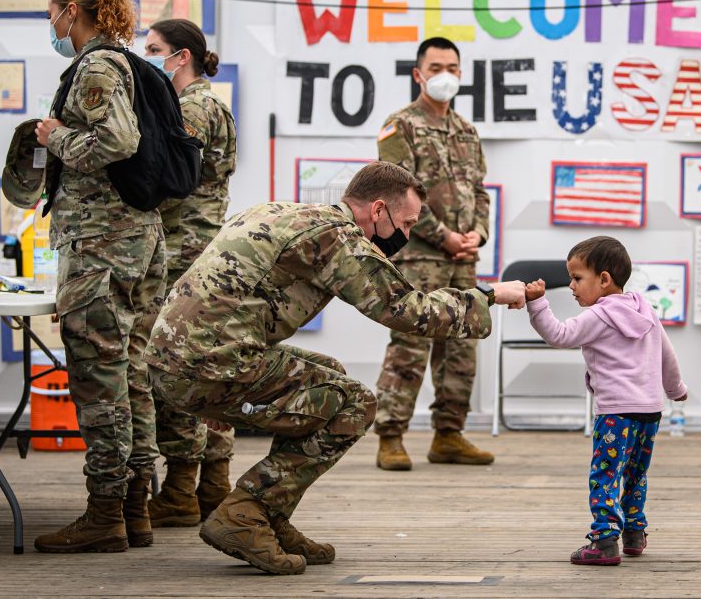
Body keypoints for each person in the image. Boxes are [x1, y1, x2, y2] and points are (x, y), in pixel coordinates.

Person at [144, 162, 526, 575]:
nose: (409, 235)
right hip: (208, 365)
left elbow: (229, 303)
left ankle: (271, 514)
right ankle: (245, 513)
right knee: (356, 404)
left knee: (329, 374)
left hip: (176, 361)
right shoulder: (338, 237)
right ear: (378, 210)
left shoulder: (276, 212)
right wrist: (489, 295)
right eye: (408, 222)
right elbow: (406, 310)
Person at [32, 0, 168, 553]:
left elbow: (116, 143)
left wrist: (54, 135)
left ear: (72, 11)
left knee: (99, 378)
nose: (52, 27)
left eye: (52, 15)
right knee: (130, 374)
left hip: (100, 245)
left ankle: (105, 514)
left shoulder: (96, 65)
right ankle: (134, 510)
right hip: (137, 240)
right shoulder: (130, 63)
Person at [523, 237, 687, 566]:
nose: (570, 286)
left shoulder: (600, 315)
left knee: (605, 475)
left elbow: (559, 335)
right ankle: (635, 532)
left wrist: (537, 303)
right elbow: (666, 355)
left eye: (576, 277)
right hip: (650, 412)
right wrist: (676, 389)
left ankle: (604, 540)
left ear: (604, 279)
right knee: (635, 474)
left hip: (615, 414)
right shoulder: (646, 310)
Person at [373, 36, 493, 470]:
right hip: (419, 255)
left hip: (464, 258)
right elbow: (395, 193)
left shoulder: (466, 130)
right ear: (418, 74)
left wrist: (477, 232)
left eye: (453, 68)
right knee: (410, 342)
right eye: (436, 67)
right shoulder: (399, 125)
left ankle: (449, 434)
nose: (446, 75)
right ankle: (391, 436)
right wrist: (442, 235)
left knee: (462, 345)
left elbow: (480, 191)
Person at [141, 18, 238, 527]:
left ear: (181, 56)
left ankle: (181, 488)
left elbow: (171, 178)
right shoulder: (207, 103)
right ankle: (213, 486)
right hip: (203, 253)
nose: (147, 55)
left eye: (154, 49)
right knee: (208, 370)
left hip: (182, 254)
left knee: (175, 372)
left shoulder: (191, 108)